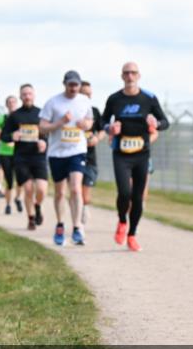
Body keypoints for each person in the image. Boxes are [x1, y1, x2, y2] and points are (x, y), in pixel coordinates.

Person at [101, 62, 169, 252]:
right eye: (126, 73)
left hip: (142, 153)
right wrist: (109, 128)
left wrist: (156, 123)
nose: (130, 76)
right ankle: (122, 221)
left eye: (133, 73)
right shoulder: (114, 99)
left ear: (139, 76)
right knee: (124, 193)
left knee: (138, 197)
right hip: (121, 154)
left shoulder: (149, 98)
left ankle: (132, 234)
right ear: (122, 76)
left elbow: (165, 122)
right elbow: (103, 120)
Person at [40, 70, 93, 246]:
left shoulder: (84, 101)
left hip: (77, 150)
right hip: (57, 153)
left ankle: (77, 227)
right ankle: (60, 224)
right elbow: (42, 128)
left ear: (79, 85)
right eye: (70, 84)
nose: (73, 88)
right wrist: (60, 123)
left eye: (76, 85)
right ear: (64, 84)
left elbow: (89, 121)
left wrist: (86, 125)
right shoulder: (53, 102)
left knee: (76, 189)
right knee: (60, 192)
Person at [6, 84, 48, 230]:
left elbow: (49, 133)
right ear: (20, 96)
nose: (27, 97)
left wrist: (44, 141)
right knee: (28, 189)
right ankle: (30, 218)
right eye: (24, 94)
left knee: (42, 189)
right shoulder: (15, 116)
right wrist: (12, 135)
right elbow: (4, 136)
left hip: (38, 157)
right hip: (21, 157)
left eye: (29, 94)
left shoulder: (42, 113)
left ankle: (37, 206)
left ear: (34, 95)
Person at [0, 95, 24, 215]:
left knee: (21, 179)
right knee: (9, 180)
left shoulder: (22, 118)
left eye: (13, 102)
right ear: (6, 105)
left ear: (17, 104)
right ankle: (8, 205)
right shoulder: (2, 119)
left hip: (19, 152)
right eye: (9, 102)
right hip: (5, 152)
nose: (11, 104)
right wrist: (7, 138)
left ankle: (17, 198)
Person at [79, 81, 103, 226]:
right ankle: (78, 220)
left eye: (89, 94)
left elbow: (102, 130)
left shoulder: (94, 111)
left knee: (85, 194)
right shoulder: (71, 111)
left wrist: (96, 138)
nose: (87, 97)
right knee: (76, 190)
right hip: (73, 155)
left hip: (90, 157)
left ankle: (84, 207)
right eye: (84, 93)